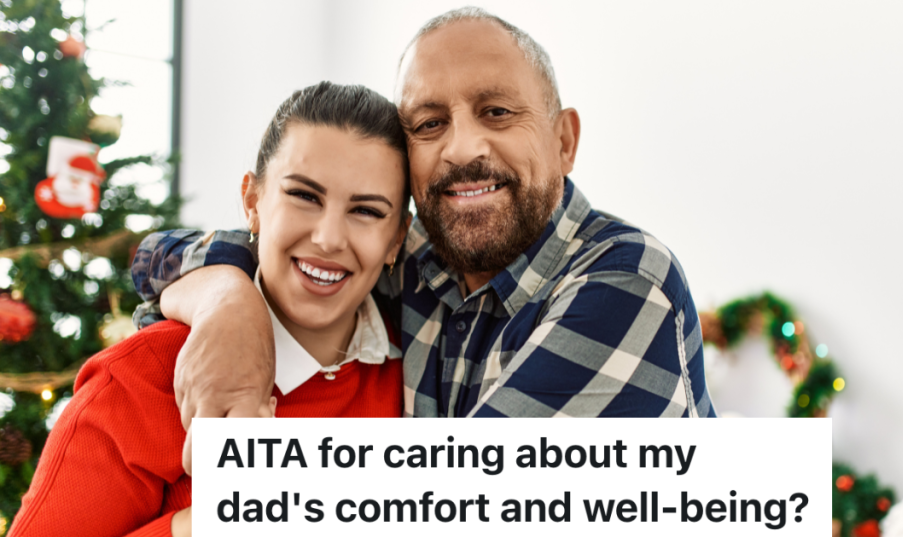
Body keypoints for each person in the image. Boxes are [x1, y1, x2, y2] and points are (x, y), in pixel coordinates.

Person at [132, 8, 715, 436]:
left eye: (496, 112)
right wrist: (227, 300)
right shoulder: (413, 259)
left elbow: (439, 505)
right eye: (430, 124)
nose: (462, 149)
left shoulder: (626, 281)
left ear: (564, 141)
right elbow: (154, 257)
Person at [9, 83, 408, 537]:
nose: (329, 238)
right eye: (304, 196)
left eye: (367, 211)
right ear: (253, 202)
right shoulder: (143, 375)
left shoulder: (415, 374)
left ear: (397, 239)